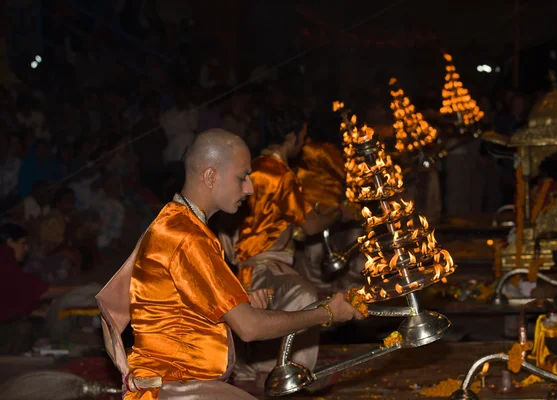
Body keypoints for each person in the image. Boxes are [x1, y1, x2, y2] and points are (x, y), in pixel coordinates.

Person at [96, 129, 363, 400]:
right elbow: (249, 328)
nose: (249, 188)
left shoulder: (177, 223)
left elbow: (182, 311)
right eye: (242, 177)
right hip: (174, 389)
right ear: (211, 176)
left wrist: (239, 304)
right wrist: (326, 312)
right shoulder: (187, 235)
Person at [228, 108, 354, 388]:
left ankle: (262, 369)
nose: (305, 142)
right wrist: (339, 213)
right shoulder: (279, 174)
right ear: (291, 137)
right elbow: (309, 226)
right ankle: (284, 375)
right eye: (303, 136)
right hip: (263, 266)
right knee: (305, 296)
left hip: (249, 267)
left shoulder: (255, 167)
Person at [294, 136, 366, 294]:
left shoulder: (295, 154)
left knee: (320, 265)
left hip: (310, 214)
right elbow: (346, 173)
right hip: (327, 212)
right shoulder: (320, 150)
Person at [0, 222, 73, 354]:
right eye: (23, 243)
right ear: (10, 242)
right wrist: (81, 290)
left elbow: (8, 300)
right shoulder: (4, 258)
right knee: (25, 328)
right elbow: (37, 290)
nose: (26, 249)